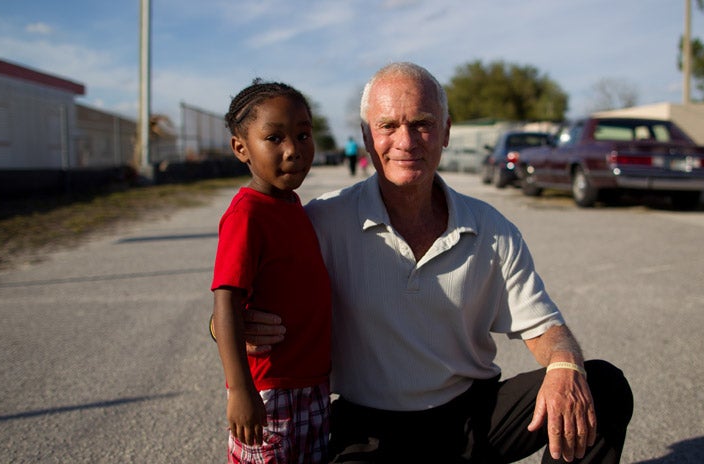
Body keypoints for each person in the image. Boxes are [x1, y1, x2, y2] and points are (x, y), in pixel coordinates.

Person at [241, 62, 633, 463]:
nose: (406, 141)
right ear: (365, 137)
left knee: (600, 386)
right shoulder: (323, 221)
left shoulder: (491, 229)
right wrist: (230, 327)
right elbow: (239, 297)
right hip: (369, 427)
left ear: (445, 131)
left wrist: (565, 365)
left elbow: (545, 328)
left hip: (472, 415)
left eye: (423, 123)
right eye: (388, 125)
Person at [211, 79, 332, 464]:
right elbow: (226, 303)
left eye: (303, 134)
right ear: (240, 148)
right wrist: (239, 391)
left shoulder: (293, 206)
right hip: (269, 390)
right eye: (274, 138)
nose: (294, 150)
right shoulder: (246, 215)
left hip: (311, 385)